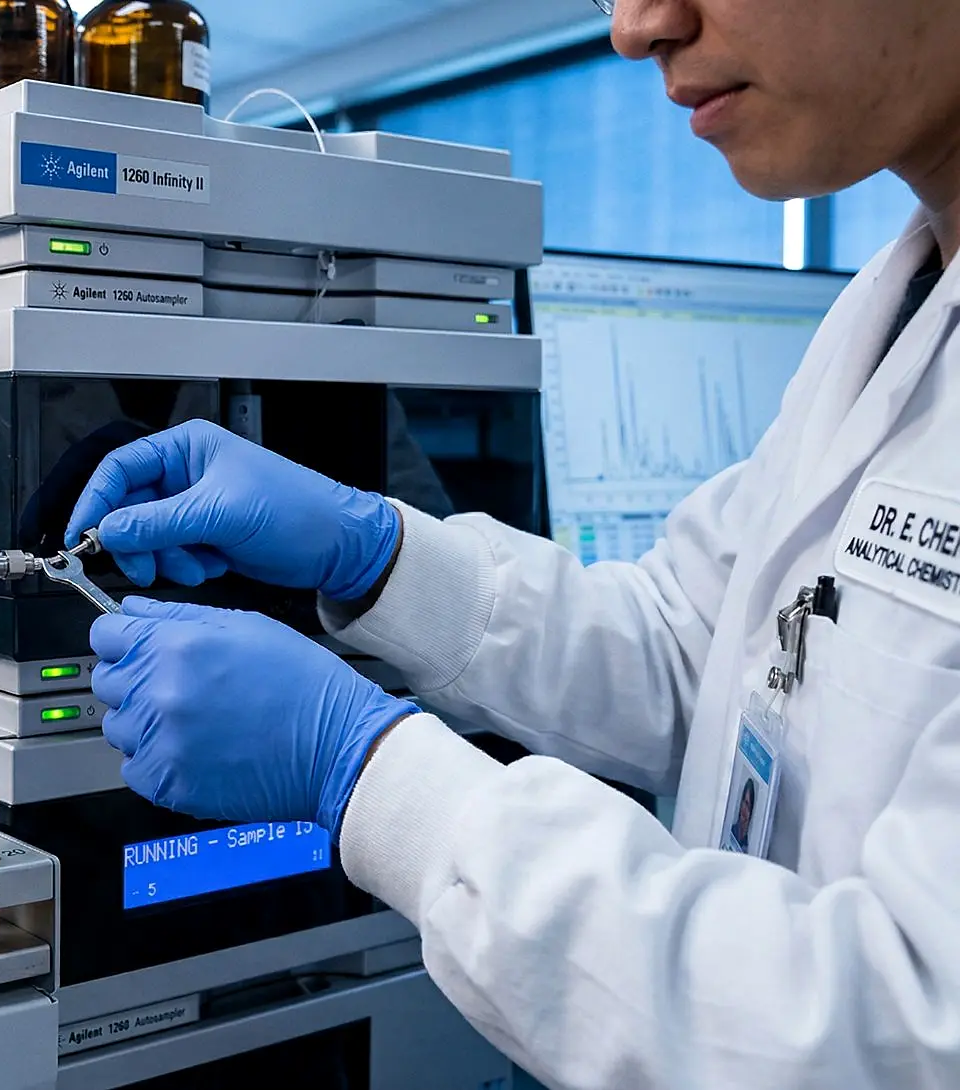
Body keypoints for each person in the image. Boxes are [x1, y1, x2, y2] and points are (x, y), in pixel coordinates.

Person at [65, 1, 960, 1086]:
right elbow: (692, 644)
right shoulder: (897, 306)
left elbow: (897, 1028)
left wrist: (364, 768)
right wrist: (375, 550)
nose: (636, 28)